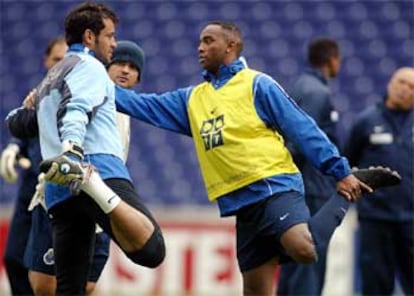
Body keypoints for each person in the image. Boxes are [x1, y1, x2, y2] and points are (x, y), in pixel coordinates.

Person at [111, 21, 373, 295]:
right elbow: (143, 105)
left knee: (303, 249)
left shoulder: (257, 84)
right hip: (242, 204)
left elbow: (303, 128)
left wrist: (340, 172)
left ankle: (345, 197)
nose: (201, 47)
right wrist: (95, 83)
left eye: (209, 40)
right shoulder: (192, 99)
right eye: (200, 41)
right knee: (255, 291)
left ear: (231, 46)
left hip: (274, 187)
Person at [8, 3, 165, 294]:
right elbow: (76, 109)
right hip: (93, 170)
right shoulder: (91, 67)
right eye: (110, 35)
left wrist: (20, 114)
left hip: (58, 189)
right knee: (152, 249)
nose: (114, 43)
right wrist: (73, 152)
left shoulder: (53, 76)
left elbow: (18, 123)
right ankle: (97, 188)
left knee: (71, 287)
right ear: (90, 37)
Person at [1, 36, 67, 295]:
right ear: (46, 61)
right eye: (56, 60)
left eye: (65, 61)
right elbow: (24, 124)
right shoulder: (38, 94)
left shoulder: (76, 96)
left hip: (57, 187)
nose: (60, 65)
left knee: (50, 268)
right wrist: (14, 147)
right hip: (31, 185)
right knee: (14, 258)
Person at [277, 38, 342, 295]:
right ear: (332, 59)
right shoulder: (318, 92)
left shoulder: (301, 86)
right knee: (310, 258)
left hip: (303, 187)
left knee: (294, 260)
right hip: (312, 189)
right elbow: (302, 139)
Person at [344, 67, 414, 296]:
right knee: (375, 285)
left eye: (411, 87)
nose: (404, 89)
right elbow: (347, 164)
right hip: (375, 219)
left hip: (411, 220)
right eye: (401, 82)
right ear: (390, 84)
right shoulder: (366, 121)